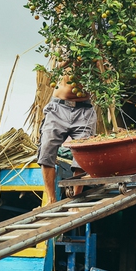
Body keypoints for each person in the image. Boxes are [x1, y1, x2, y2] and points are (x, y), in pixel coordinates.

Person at [37, 66, 96, 204]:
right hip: (58, 107)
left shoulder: (95, 51)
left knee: (83, 155)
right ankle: (51, 199)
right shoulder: (66, 47)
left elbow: (105, 76)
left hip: (84, 109)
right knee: (47, 150)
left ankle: (75, 200)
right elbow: (58, 65)